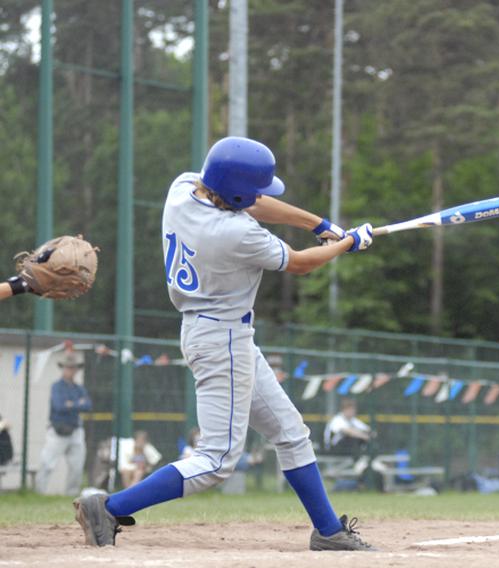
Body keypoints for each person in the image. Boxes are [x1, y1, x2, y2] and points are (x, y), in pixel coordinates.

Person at [73, 136, 375, 550]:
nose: (259, 197)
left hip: (215, 332)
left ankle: (328, 531)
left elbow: (253, 202)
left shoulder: (183, 188)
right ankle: (108, 507)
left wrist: (320, 225)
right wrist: (348, 243)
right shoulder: (236, 233)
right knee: (216, 460)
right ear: (236, 194)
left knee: (291, 433)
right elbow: (302, 264)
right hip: (223, 340)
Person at [35, 354, 92, 495]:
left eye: (74, 368)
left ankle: (71, 494)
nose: (71, 371)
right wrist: (77, 403)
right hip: (57, 431)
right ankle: (38, 493)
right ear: (63, 368)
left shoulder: (79, 388)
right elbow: (59, 405)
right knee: (47, 463)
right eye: (68, 368)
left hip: (76, 430)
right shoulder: (57, 386)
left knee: (77, 466)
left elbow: (88, 405)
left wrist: (71, 404)